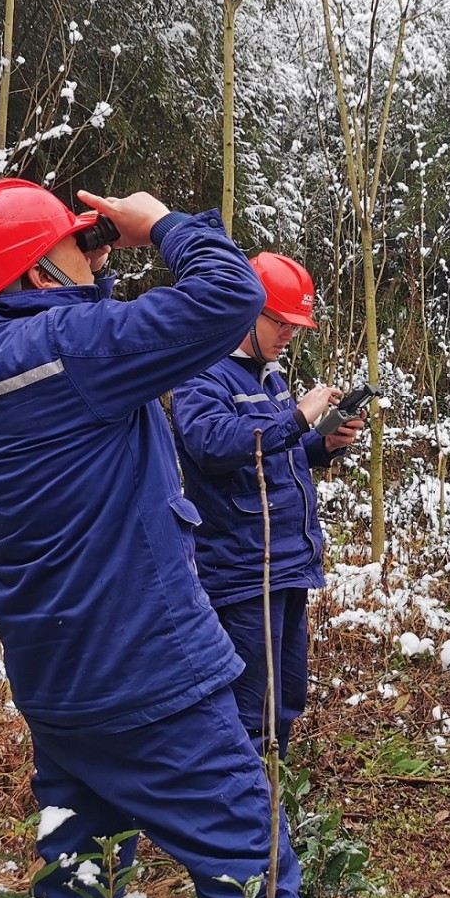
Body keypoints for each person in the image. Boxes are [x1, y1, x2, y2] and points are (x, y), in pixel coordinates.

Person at [0, 179, 319, 898]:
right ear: (37, 273)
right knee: (253, 872)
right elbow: (230, 296)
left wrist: (95, 264)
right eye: (75, 246)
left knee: (77, 881)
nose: (92, 254)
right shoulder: (73, 351)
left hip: (58, 682)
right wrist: (164, 226)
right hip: (147, 672)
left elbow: (81, 330)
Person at [171, 252, 364, 758]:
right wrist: (297, 417)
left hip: (288, 563)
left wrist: (325, 442)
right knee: (251, 705)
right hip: (243, 569)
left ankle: (274, 788)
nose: (289, 334)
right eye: (280, 321)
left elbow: (277, 452)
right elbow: (212, 445)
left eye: (296, 325)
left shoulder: (270, 376)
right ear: (245, 310)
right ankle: (244, 795)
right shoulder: (202, 374)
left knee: (287, 693)